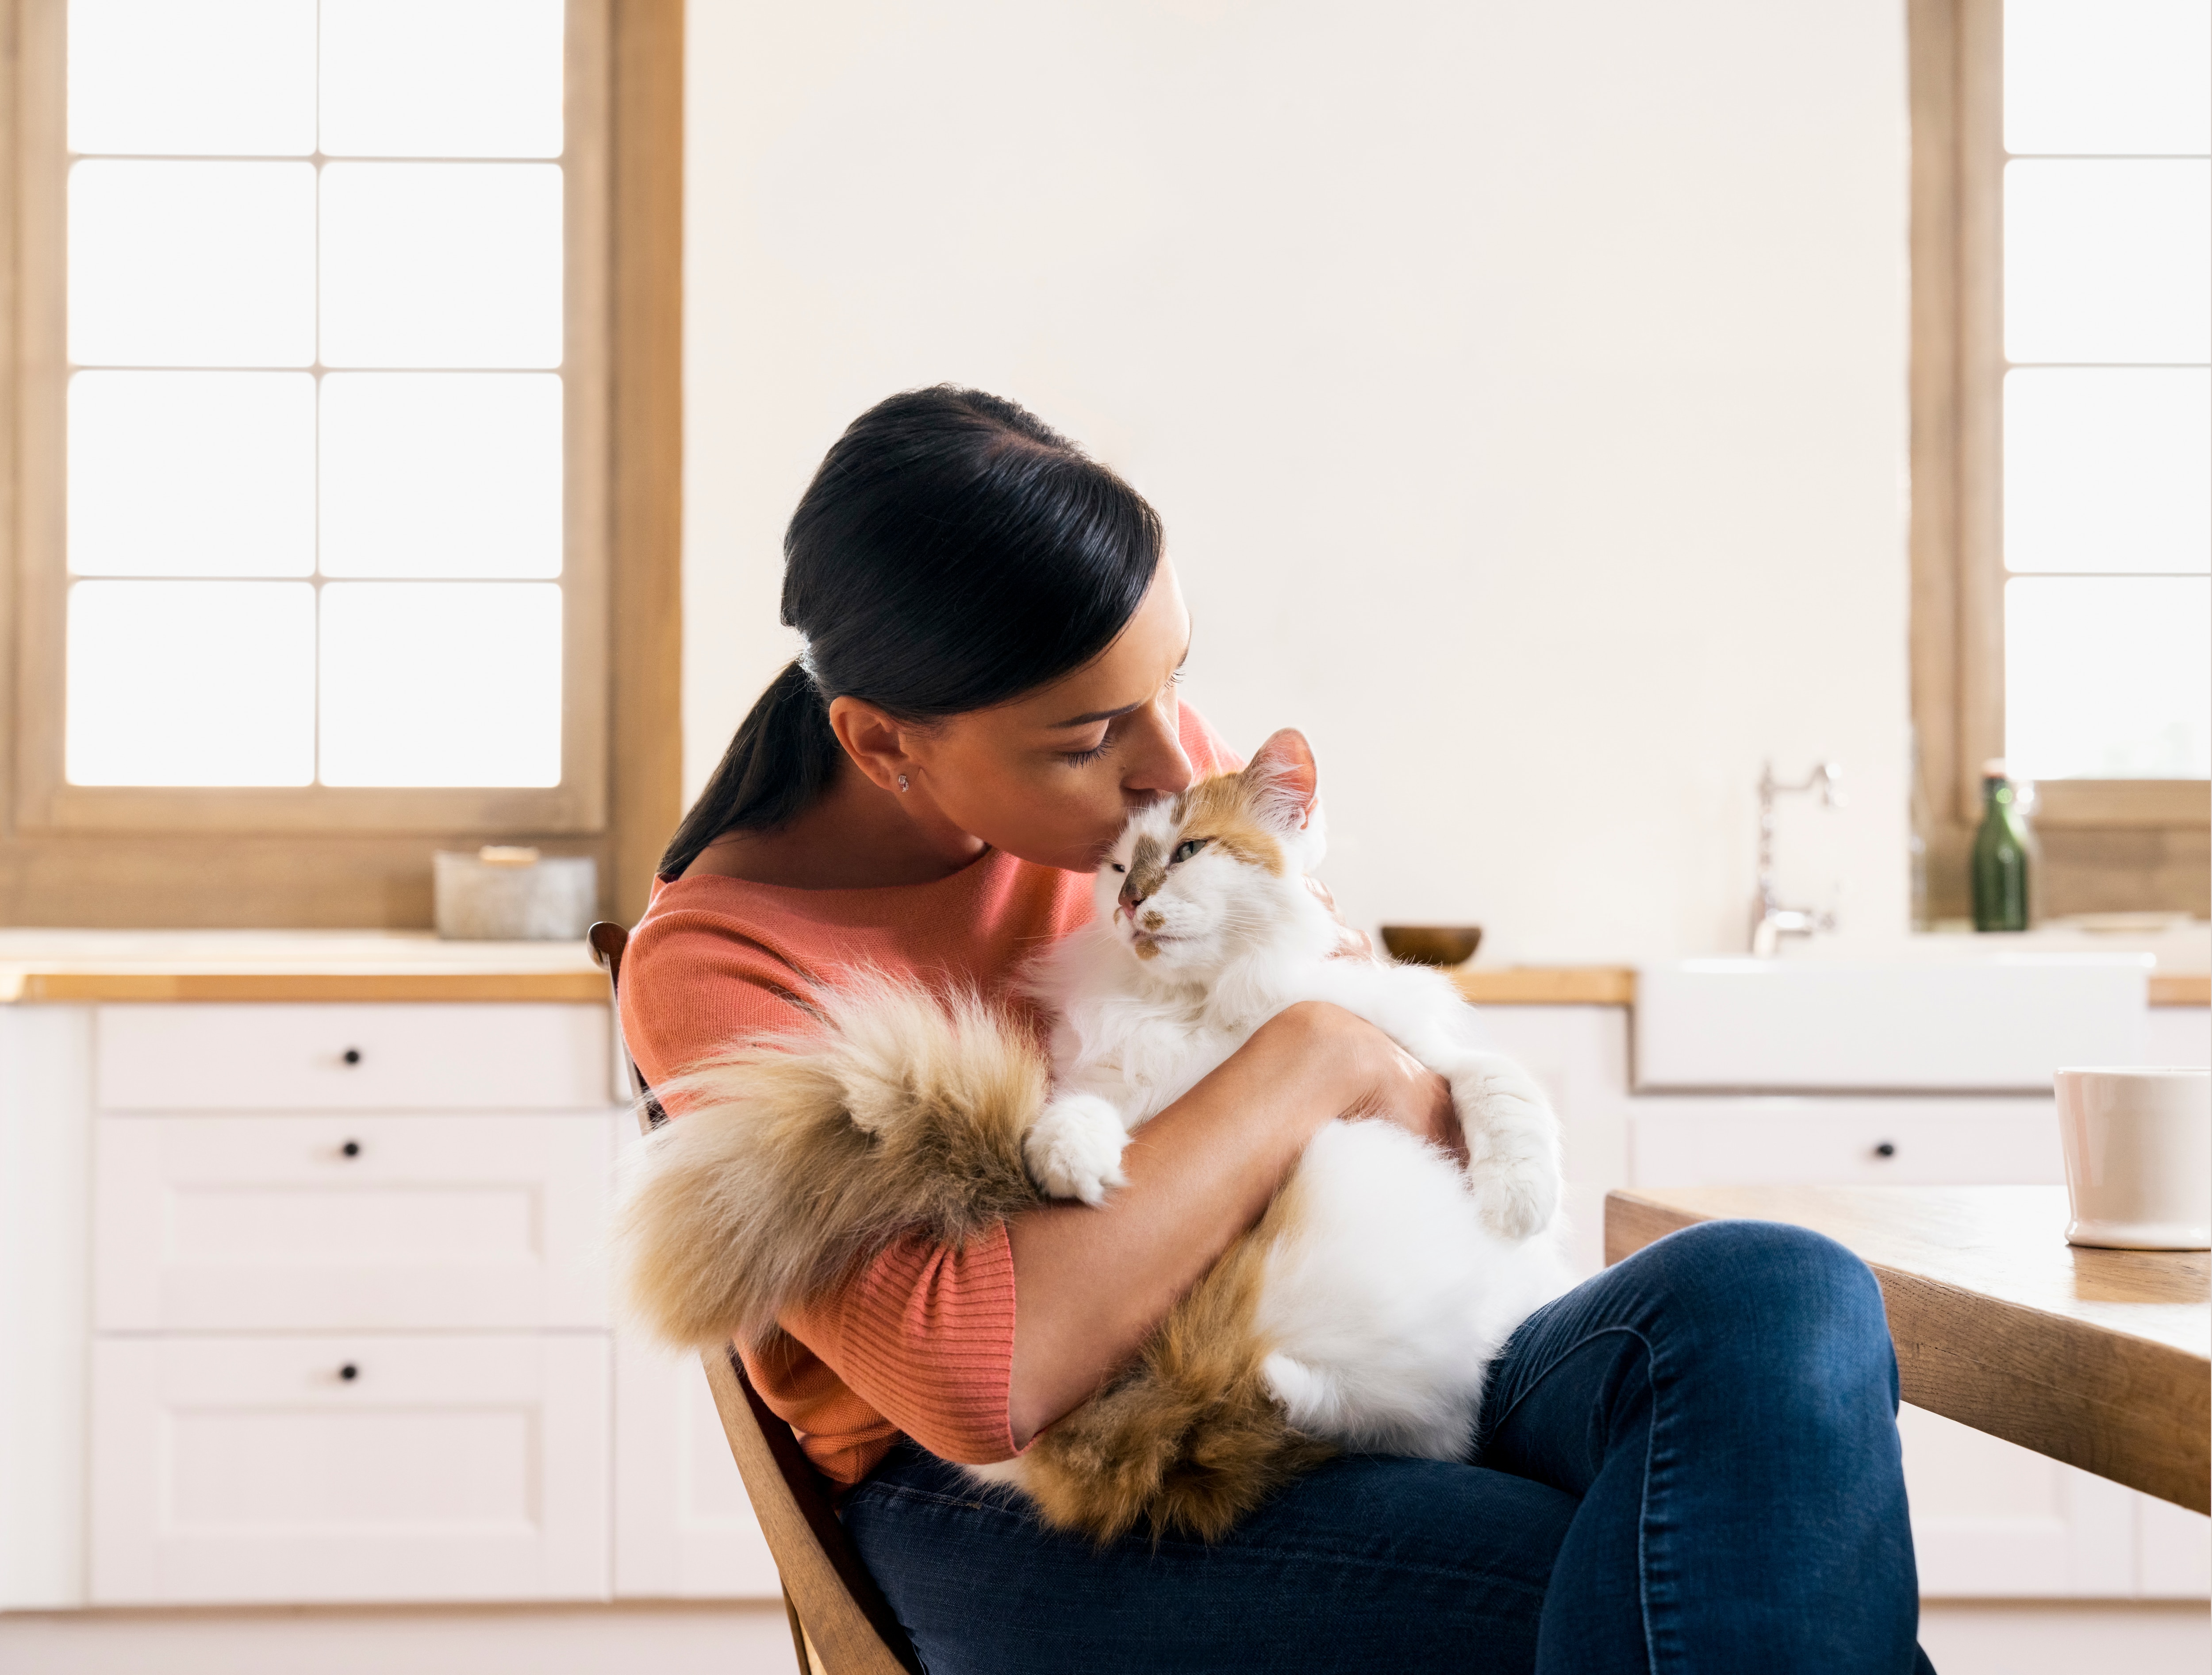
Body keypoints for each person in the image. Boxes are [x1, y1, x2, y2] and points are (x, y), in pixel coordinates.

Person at [621, 386, 1935, 1675]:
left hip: (1354, 1332)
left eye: (1171, 683)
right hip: (1052, 1486)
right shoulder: (722, 961)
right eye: (1087, 736)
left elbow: (1423, 1124)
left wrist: (1342, 1067)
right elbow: (987, 1372)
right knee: (1717, 1558)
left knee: (1782, 1291)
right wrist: (1313, 1055)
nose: (1166, 759)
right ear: (881, 740)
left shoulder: (1159, 794)